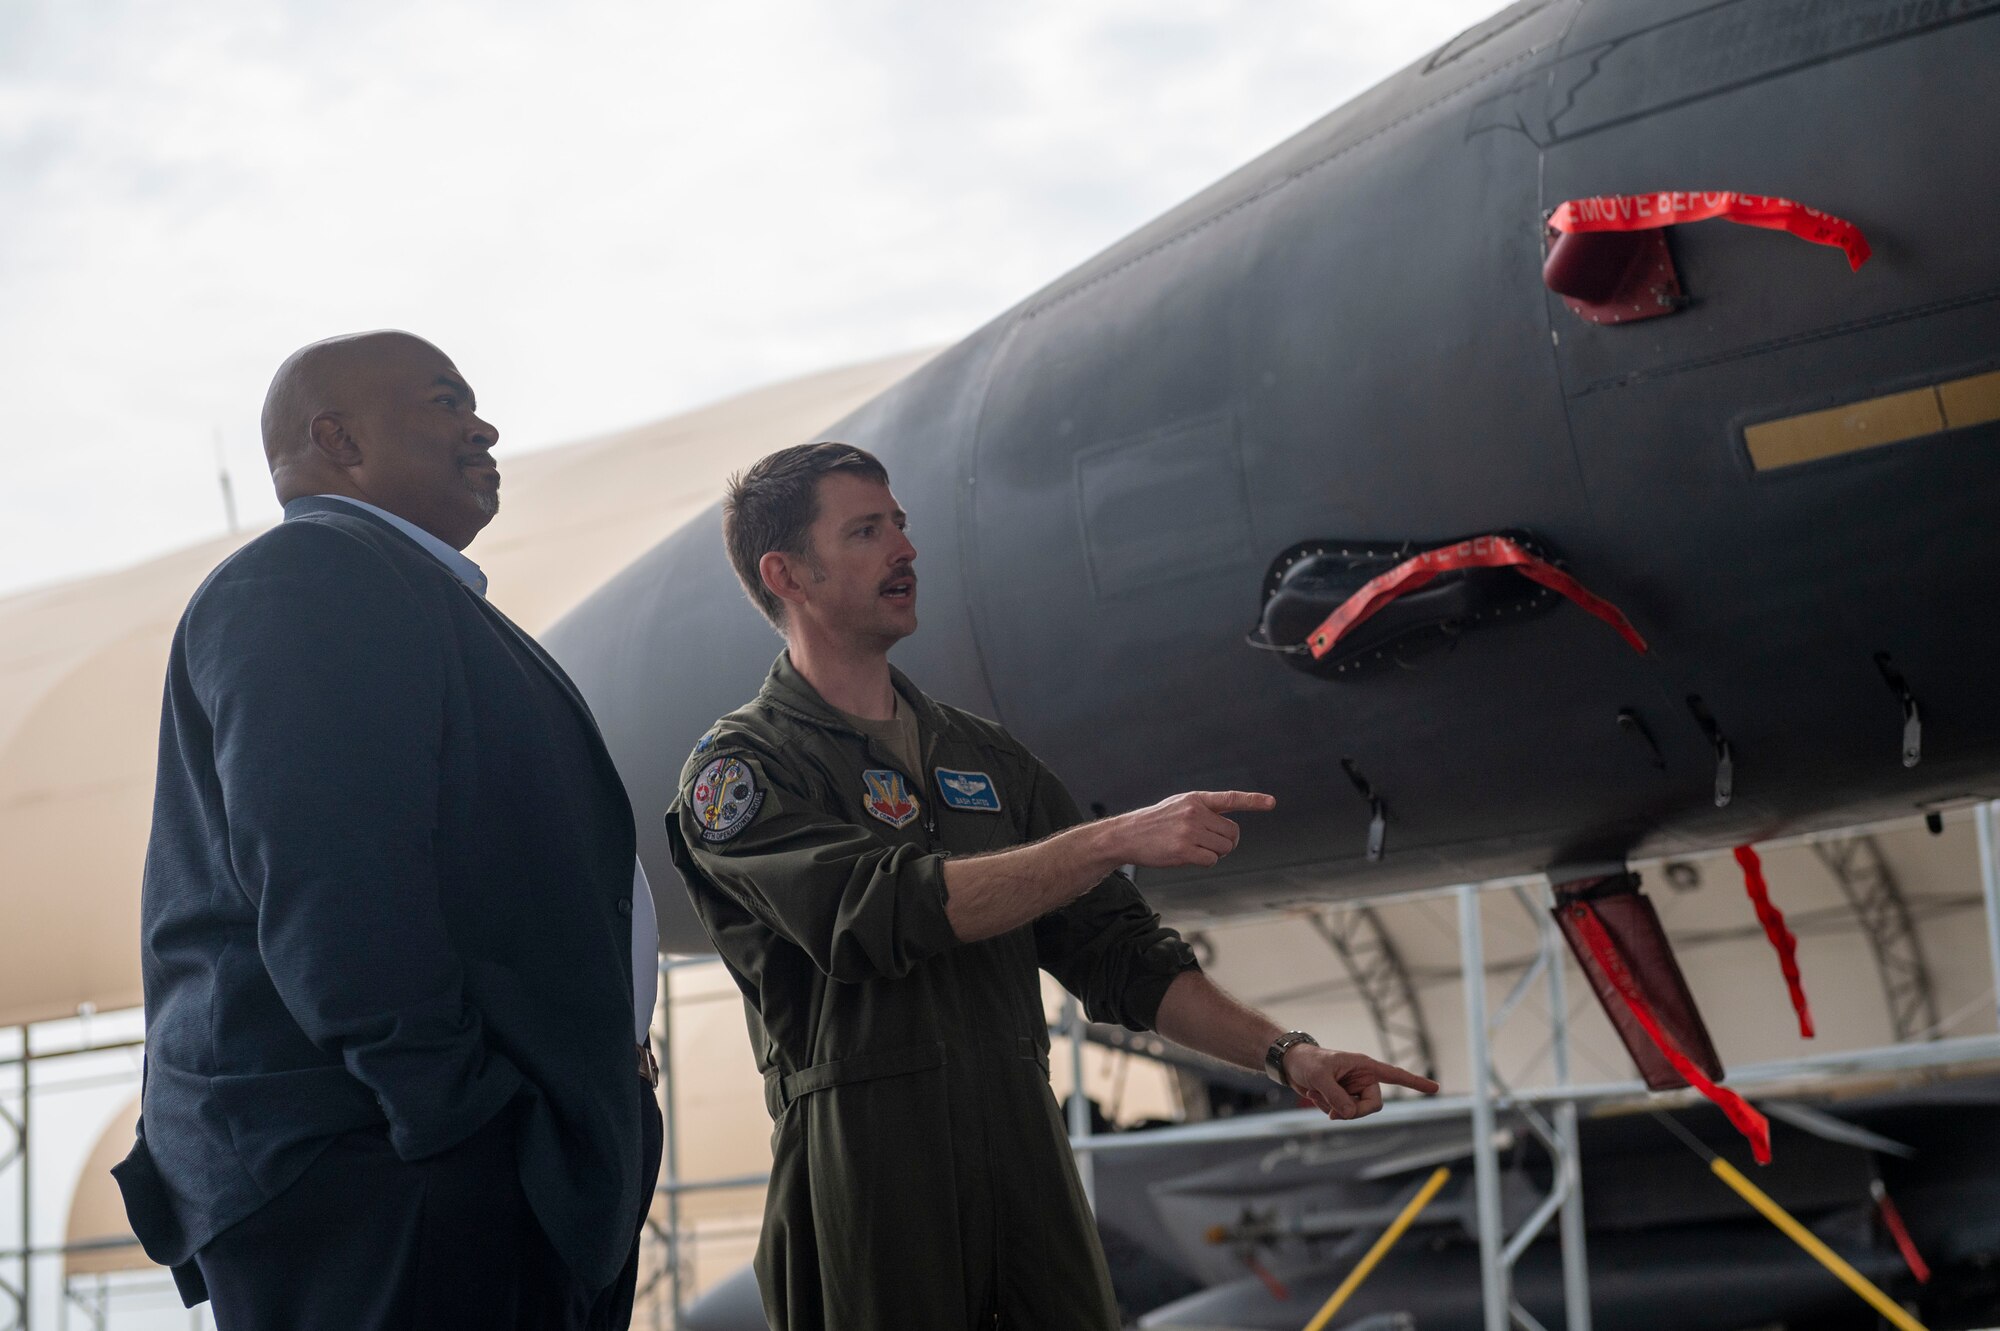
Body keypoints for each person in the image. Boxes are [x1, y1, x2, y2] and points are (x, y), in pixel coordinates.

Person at [666, 442, 1440, 1330]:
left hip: (1024, 1161)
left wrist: (1287, 1054)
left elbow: (1121, 955)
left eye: (903, 525)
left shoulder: (984, 759)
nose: (905, 550)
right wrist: (1113, 837)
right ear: (787, 573)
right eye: (867, 530)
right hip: (870, 1181)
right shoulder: (742, 771)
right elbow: (873, 915)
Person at [113, 331, 663, 1329]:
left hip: (445, 1167)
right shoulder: (309, 576)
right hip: (390, 1171)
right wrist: (457, 1122)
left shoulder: (402, 590)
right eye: (447, 400)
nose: (482, 424)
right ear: (338, 438)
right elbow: (338, 884)